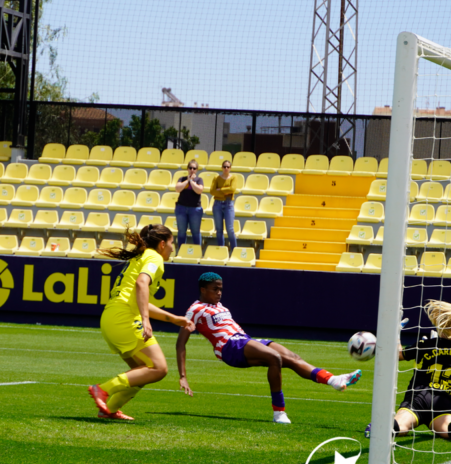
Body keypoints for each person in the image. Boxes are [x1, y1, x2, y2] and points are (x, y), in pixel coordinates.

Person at [176, 272, 361, 424]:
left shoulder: (219, 305)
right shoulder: (195, 310)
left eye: (221, 289)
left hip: (245, 339)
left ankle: (332, 380)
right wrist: (183, 376)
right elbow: (180, 343)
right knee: (275, 358)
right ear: (203, 289)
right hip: (229, 347)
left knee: (292, 357)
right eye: (215, 289)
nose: (219, 293)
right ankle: (279, 413)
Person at [87, 225, 195, 421]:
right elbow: (141, 284)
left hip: (112, 317)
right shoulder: (154, 257)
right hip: (125, 318)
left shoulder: (141, 257)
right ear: (162, 244)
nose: (172, 248)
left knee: (144, 371)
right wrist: (145, 320)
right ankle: (102, 390)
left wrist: (174, 319)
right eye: (172, 243)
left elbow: (139, 297)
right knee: (159, 368)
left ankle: (109, 409)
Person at [365, 300, 451, 442]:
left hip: (419, 397)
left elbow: (398, 354)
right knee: (446, 430)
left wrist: (396, 333)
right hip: (444, 401)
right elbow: (444, 357)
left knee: (401, 424)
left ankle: (384, 428)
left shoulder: (426, 345)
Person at [209, 160, 239, 250]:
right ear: (222, 168)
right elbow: (212, 191)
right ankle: (221, 250)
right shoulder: (216, 177)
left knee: (230, 229)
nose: (226, 168)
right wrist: (225, 191)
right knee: (219, 229)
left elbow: (232, 189)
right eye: (224, 166)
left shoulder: (233, 177)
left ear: (230, 168)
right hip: (217, 204)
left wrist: (220, 190)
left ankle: (234, 250)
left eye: (228, 167)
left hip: (228, 204)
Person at [174, 159, 203, 247]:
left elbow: (199, 190)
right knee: (181, 231)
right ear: (187, 168)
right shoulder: (182, 179)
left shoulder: (199, 179)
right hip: (181, 208)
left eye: (194, 168)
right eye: (190, 168)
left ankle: (197, 251)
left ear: (196, 170)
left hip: (194, 209)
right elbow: (177, 189)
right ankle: (181, 251)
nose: (192, 170)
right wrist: (187, 180)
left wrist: (192, 182)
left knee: (195, 232)